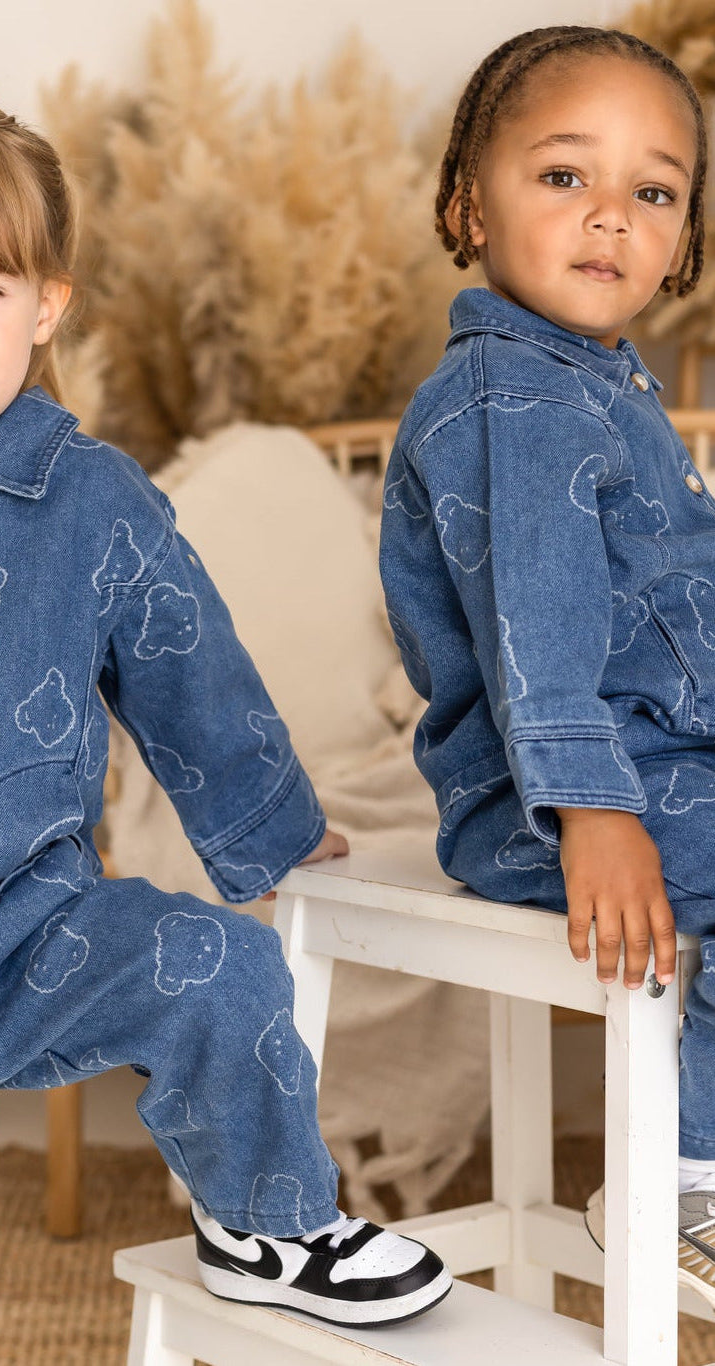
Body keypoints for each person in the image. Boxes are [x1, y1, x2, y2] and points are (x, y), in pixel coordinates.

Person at [0, 98, 451, 1366]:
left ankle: (268, 1224)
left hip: (38, 935)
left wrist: (270, 832)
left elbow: (183, 663)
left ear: (46, 305)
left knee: (220, 966)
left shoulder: (95, 501)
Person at [379, 24, 715, 1305]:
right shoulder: (511, 403)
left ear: (682, 237)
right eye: (564, 175)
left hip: (661, 769)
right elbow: (539, 625)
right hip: (556, 800)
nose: (610, 215)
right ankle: (679, 1180)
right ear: (469, 206)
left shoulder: (599, 388)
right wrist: (590, 808)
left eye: (653, 191)